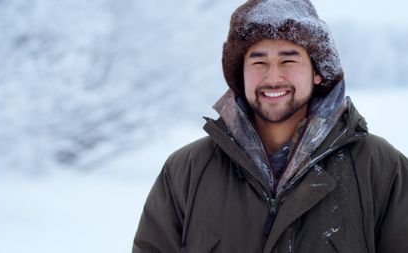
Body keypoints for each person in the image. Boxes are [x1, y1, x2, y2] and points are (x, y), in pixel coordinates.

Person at [133, 0, 408, 252]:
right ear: (240, 73)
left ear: (317, 72)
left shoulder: (381, 168)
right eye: (259, 61)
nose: (272, 76)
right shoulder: (187, 171)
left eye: (288, 60)